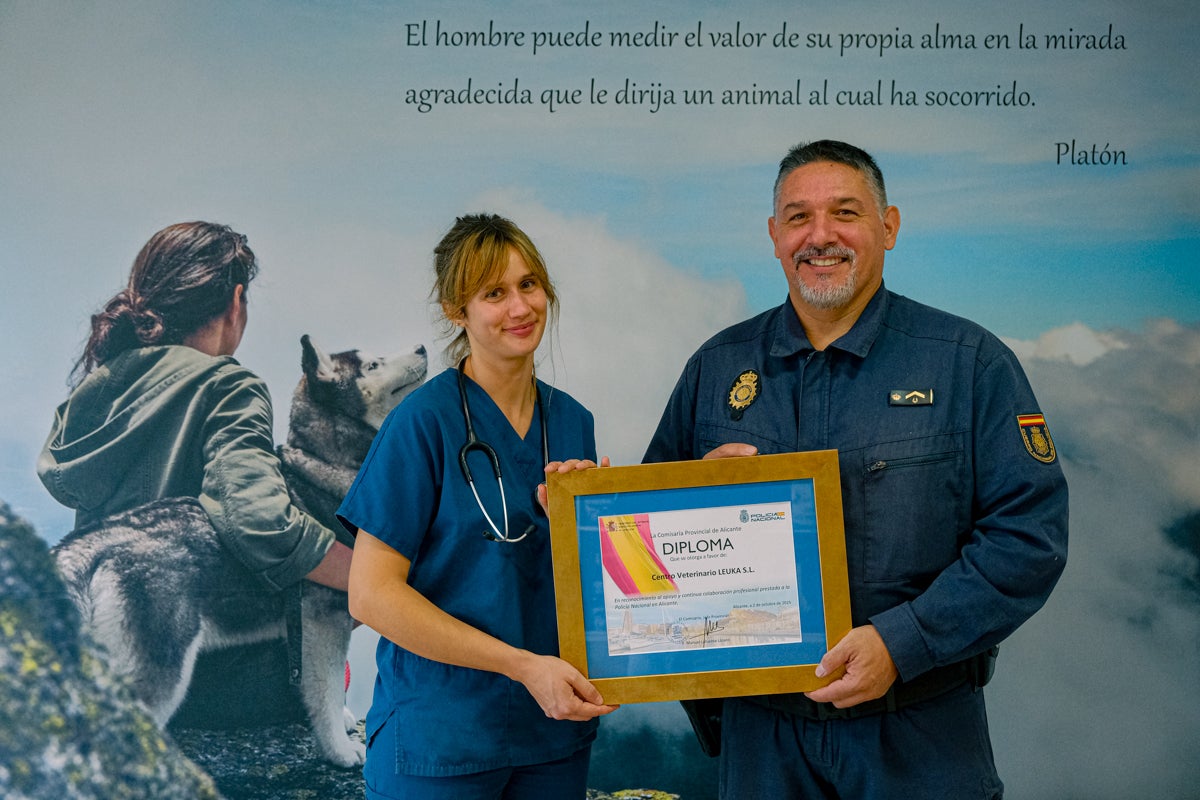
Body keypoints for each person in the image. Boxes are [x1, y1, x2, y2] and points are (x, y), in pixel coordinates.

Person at [644, 140, 1069, 798]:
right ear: (774, 235)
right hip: (763, 741)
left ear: (888, 226)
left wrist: (904, 642)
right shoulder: (716, 367)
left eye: (845, 213)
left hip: (922, 733)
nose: (820, 236)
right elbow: (644, 542)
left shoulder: (969, 362)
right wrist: (689, 500)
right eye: (798, 218)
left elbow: (1028, 538)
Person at [337, 213, 617, 799]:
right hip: (440, 739)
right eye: (494, 293)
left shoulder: (572, 423)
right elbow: (371, 595)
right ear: (455, 310)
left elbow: (582, 585)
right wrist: (521, 665)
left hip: (552, 736)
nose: (520, 307)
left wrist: (592, 527)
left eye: (528, 284)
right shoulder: (422, 423)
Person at [38, 221, 353, 727]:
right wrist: (373, 579)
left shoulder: (95, 392)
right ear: (235, 301)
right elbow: (258, 518)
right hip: (214, 684)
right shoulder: (227, 385)